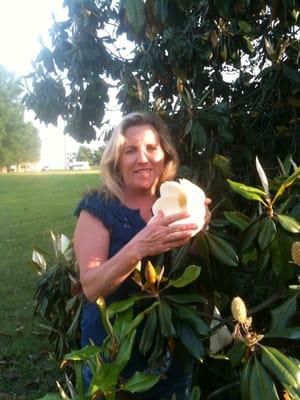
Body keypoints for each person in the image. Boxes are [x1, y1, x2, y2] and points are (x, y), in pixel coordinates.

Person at [73, 112, 211, 399]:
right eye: (130, 150)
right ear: (117, 160)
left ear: (165, 155)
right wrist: (140, 245)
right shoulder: (98, 208)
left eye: (151, 148)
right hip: (114, 356)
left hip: (171, 349)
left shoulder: (179, 198)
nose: (143, 158)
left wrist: (201, 223)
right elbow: (91, 286)